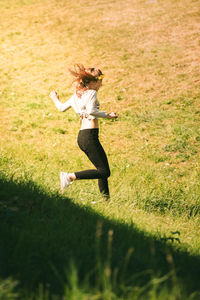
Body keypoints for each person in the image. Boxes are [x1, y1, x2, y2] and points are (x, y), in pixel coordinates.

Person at [49, 64, 118, 199]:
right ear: (91, 82)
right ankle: (69, 177)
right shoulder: (92, 93)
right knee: (104, 171)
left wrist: (54, 98)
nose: (101, 83)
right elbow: (92, 111)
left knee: (101, 170)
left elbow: (61, 108)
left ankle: (106, 202)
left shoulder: (77, 96)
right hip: (89, 136)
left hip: (83, 137)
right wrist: (108, 115)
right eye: (99, 79)